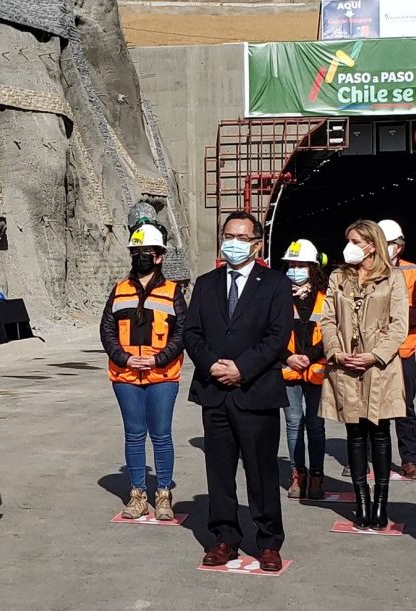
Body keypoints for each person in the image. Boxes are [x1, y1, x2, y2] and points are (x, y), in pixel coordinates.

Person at [184, 211, 293, 572]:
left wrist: (242, 369)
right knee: (219, 470)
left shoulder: (276, 284)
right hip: (214, 390)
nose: (234, 243)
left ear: (257, 243)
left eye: (243, 238)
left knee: (262, 472)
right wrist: (211, 365)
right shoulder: (205, 283)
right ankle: (224, 538)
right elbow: (192, 332)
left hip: (256, 391)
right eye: (229, 235)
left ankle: (268, 541)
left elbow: (277, 336)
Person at [320, 220, 408, 531]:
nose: (350, 246)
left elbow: (400, 325)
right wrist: (335, 351)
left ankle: (381, 502)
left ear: (372, 244)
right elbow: (327, 319)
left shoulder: (394, 278)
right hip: (345, 363)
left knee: (380, 432)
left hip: (379, 366)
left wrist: (375, 355)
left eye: (356, 240)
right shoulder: (338, 277)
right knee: (354, 434)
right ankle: (360, 499)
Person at [100, 223, 187, 520]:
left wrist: (157, 359)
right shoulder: (119, 290)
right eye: (136, 251)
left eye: (146, 251)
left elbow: (182, 332)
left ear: (159, 256)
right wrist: (124, 358)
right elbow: (107, 330)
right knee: (134, 435)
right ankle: (137, 492)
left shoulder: (174, 292)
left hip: (162, 375)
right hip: (125, 376)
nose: (141, 256)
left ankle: (163, 493)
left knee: (161, 435)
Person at [378, 219, 416, 481]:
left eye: (387, 243)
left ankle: (410, 459)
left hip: (403, 350)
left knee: (405, 407)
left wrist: (384, 317)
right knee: (373, 407)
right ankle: (377, 458)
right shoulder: (362, 270)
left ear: (399, 246)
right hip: (373, 352)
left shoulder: (413, 272)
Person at [279, 239, 328, 500]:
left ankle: (317, 476)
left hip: (317, 370)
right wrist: (289, 357)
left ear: (312, 267)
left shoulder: (326, 295)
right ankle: (297, 473)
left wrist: (308, 357)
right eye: (291, 264)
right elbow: (271, 333)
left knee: (316, 425)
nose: (294, 269)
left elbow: (332, 333)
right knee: (293, 423)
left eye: (300, 264)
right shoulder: (278, 295)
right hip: (289, 370)